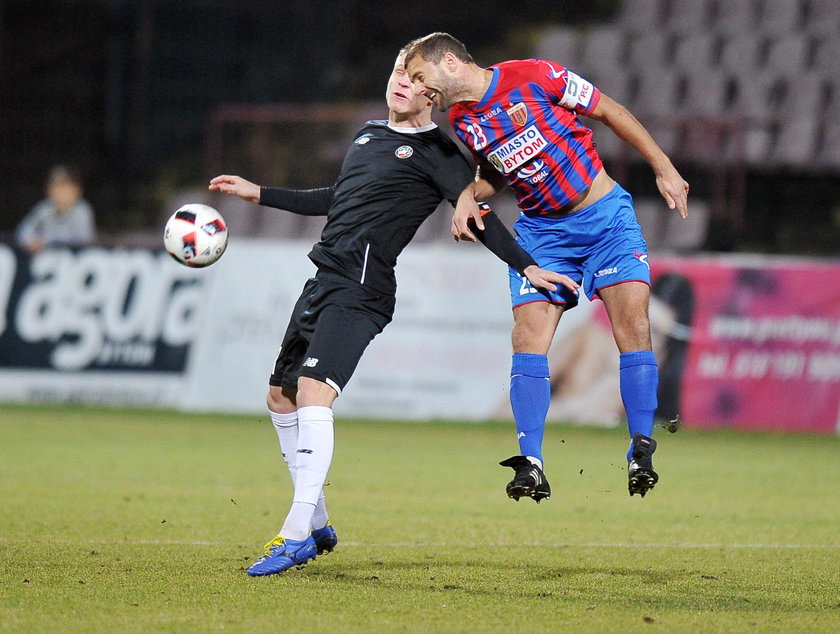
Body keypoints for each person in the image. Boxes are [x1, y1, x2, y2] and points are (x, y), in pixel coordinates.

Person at [209, 49, 578, 577]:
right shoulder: (368, 134)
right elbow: (338, 198)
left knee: (314, 393)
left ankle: (292, 534)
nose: (401, 82)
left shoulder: (439, 153)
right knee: (280, 396)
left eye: (413, 75)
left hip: (362, 287)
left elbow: (479, 216)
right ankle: (316, 523)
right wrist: (259, 193)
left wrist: (529, 267)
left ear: (431, 90)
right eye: (396, 72)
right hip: (324, 279)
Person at [404, 33, 690, 500]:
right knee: (527, 338)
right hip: (543, 235)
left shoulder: (535, 75)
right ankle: (531, 463)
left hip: (605, 222)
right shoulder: (463, 119)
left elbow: (610, 111)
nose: (418, 89)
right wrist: (464, 198)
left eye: (421, 76)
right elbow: (495, 175)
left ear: (451, 62)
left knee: (633, 328)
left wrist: (664, 167)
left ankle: (640, 447)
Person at [15, 165, 96, 253]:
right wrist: (30, 241)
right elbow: (22, 232)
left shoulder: (82, 210)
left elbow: (82, 239)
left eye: (64, 186)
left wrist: (45, 240)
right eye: (56, 186)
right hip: (46, 260)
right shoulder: (44, 209)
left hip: (75, 261)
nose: (59, 192)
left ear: (75, 190)